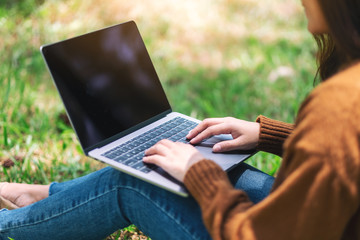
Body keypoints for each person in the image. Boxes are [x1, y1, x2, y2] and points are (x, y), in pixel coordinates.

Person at [1, 0, 359, 239]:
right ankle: (47, 198)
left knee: (133, 183)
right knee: (167, 161)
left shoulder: (339, 104)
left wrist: (200, 176)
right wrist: (272, 136)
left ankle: (12, 223)